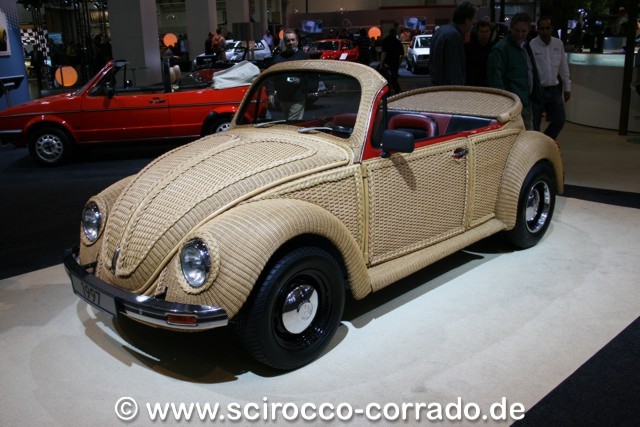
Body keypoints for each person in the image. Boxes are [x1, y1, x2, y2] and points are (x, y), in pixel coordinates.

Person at [488, 12, 542, 130]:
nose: (520, 34)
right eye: (517, 30)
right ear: (511, 28)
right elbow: (495, 81)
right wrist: (505, 105)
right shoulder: (501, 49)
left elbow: (531, 72)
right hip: (512, 106)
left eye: (523, 31)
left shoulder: (525, 46)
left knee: (527, 136)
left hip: (526, 102)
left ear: (528, 30)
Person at [530, 16, 572, 140]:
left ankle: (545, 141)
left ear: (552, 28)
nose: (545, 31)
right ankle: (538, 147)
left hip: (554, 89)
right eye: (542, 28)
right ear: (538, 29)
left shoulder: (558, 44)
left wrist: (567, 87)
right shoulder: (532, 44)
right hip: (538, 90)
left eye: (547, 28)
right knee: (535, 124)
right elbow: (529, 69)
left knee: (559, 120)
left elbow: (563, 66)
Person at [267, 29, 313, 120]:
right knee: (289, 121)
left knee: (292, 123)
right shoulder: (279, 58)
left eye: (293, 40)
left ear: (297, 41)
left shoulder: (304, 57)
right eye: (288, 40)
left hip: (298, 98)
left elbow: (311, 76)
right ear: (284, 42)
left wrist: (300, 81)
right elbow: (271, 77)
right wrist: (270, 93)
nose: (291, 43)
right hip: (283, 98)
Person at [430, 2, 477, 86]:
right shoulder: (454, 36)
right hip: (450, 90)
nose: (474, 22)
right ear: (466, 20)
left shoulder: (440, 31)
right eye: (473, 19)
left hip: (437, 87)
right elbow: (455, 71)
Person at [464, 20, 494, 86]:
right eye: (482, 31)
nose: (485, 34)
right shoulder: (469, 48)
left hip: (488, 83)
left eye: (487, 31)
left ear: (490, 32)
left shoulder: (494, 49)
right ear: (477, 33)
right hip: (473, 83)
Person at [379, 27, 403, 94]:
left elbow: (384, 53)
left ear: (389, 33)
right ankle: (397, 90)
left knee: (387, 78)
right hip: (395, 62)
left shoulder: (385, 41)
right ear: (395, 34)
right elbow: (402, 54)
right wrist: (399, 62)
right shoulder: (398, 42)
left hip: (387, 63)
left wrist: (381, 63)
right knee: (394, 77)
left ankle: (388, 91)